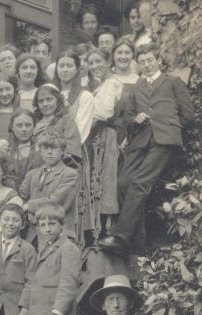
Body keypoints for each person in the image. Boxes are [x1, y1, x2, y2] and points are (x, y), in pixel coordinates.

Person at [98, 43, 195, 256]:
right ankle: (137, 243)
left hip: (163, 141)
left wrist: (169, 126)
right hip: (140, 141)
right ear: (138, 65)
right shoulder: (136, 86)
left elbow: (188, 115)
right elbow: (126, 118)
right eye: (142, 62)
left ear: (158, 60)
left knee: (140, 183)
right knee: (123, 183)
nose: (146, 65)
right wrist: (136, 119)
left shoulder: (173, 82)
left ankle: (121, 235)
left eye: (150, 60)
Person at [87, 47, 125, 238]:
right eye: (91, 63)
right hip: (101, 135)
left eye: (98, 62)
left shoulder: (112, 84)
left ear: (108, 63)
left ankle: (108, 225)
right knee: (99, 176)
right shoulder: (101, 86)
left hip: (108, 134)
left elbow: (104, 112)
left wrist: (86, 120)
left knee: (109, 175)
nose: (94, 66)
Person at [20, 133, 79, 243]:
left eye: (54, 148)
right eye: (45, 148)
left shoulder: (69, 174)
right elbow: (21, 198)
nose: (50, 152)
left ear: (62, 151)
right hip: (33, 234)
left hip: (59, 234)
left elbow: (56, 203)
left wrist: (28, 206)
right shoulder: (32, 174)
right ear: (41, 151)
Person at [53, 48, 94, 144]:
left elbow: (81, 129)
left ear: (77, 70)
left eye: (69, 66)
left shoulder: (85, 96)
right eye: (61, 66)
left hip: (72, 151)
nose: (65, 70)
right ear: (56, 69)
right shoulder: (50, 94)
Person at [33, 84, 82, 163]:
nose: (45, 104)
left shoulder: (66, 121)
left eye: (49, 99)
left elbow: (71, 151)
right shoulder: (34, 122)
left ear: (58, 101)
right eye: (41, 101)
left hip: (60, 168)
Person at [7, 109, 43, 191]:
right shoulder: (6, 152)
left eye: (28, 125)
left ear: (34, 127)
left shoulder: (42, 150)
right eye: (19, 125)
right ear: (12, 127)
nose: (24, 129)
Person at [0, 72, 21, 139]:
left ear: (14, 89)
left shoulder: (21, 113)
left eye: (8, 89)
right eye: (0, 90)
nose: (4, 94)